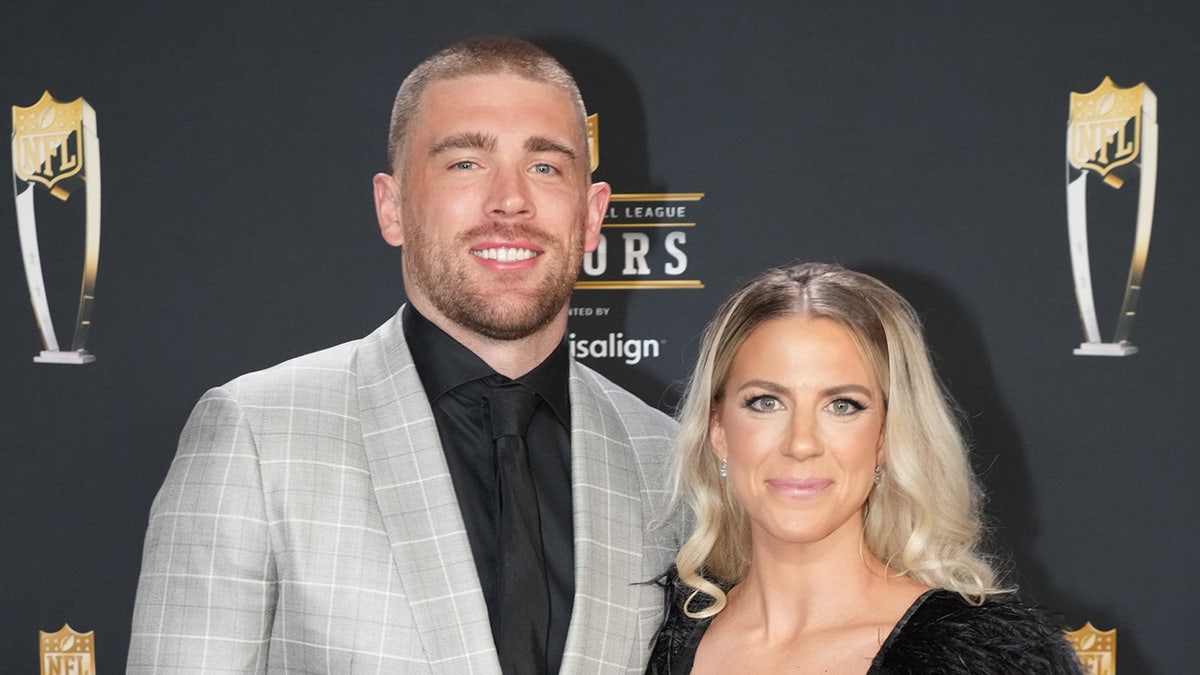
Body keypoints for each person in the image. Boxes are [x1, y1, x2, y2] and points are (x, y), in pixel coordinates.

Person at [129, 36, 679, 674]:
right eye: (465, 163)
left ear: (591, 216)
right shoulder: (257, 435)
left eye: (546, 167)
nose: (510, 199)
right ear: (392, 208)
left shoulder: (663, 461)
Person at [647, 263, 1083, 674]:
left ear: (885, 437)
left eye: (842, 405)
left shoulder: (987, 660)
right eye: (766, 402)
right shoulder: (652, 636)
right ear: (718, 429)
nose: (801, 444)